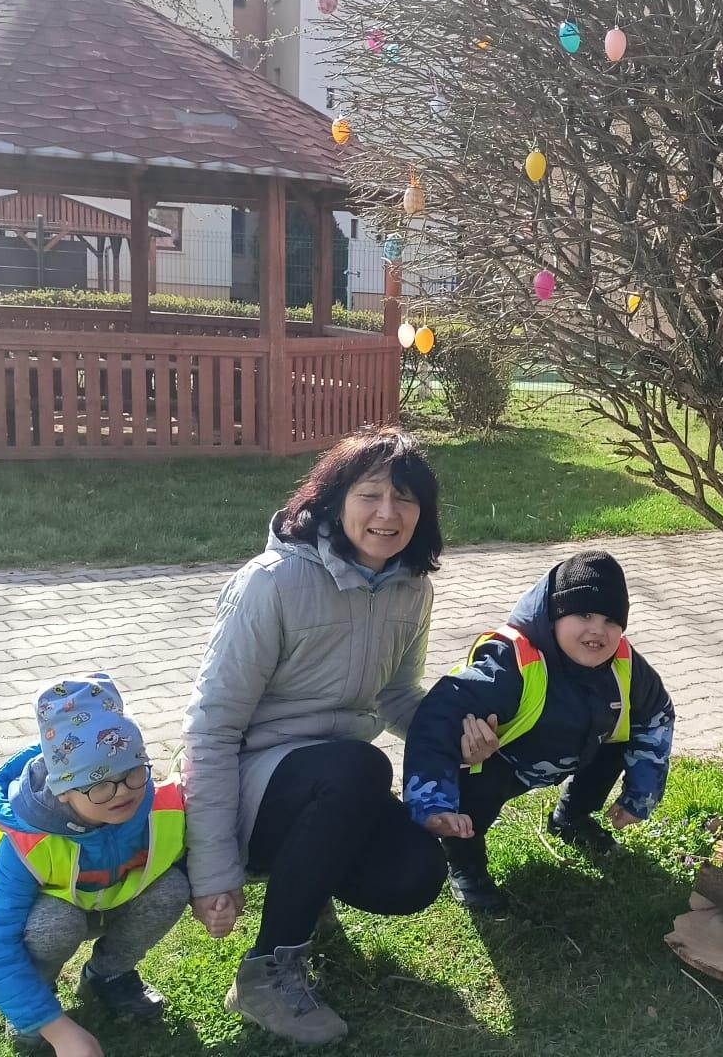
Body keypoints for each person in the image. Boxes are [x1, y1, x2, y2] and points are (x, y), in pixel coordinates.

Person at [183, 426, 478, 1046]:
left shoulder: (411, 588)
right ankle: (267, 972)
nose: (387, 514)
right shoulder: (271, 583)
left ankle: (307, 889)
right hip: (253, 791)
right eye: (370, 495)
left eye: (405, 499)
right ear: (333, 500)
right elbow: (211, 729)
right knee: (360, 767)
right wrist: (213, 869)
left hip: (333, 786)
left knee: (415, 872)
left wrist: (456, 737)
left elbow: (397, 697)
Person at [403, 550, 676, 912]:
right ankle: (465, 862)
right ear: (555, 615)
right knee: (479, 784)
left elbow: (657, 714)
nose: (597, 629)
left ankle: (571, 819)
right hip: (504, 759)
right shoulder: (513, 660)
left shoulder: (625, 662)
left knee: (619, 739)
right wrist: (431, 800)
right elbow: (437, 715)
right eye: (583, 614)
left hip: (577, 749)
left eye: (611, 620)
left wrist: (641, 795)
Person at [0, 674, 186, 1057]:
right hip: (57, 916)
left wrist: (215, 891)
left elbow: (194, 855)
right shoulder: (29, 840)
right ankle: (34, 1007)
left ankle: (108, 975)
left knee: (172, 888)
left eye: (132, 772)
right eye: (99, 784)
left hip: (115, 900)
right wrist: (55, 1029)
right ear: (63, 791)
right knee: (54, 924)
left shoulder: (156, 805)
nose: (122, 793)